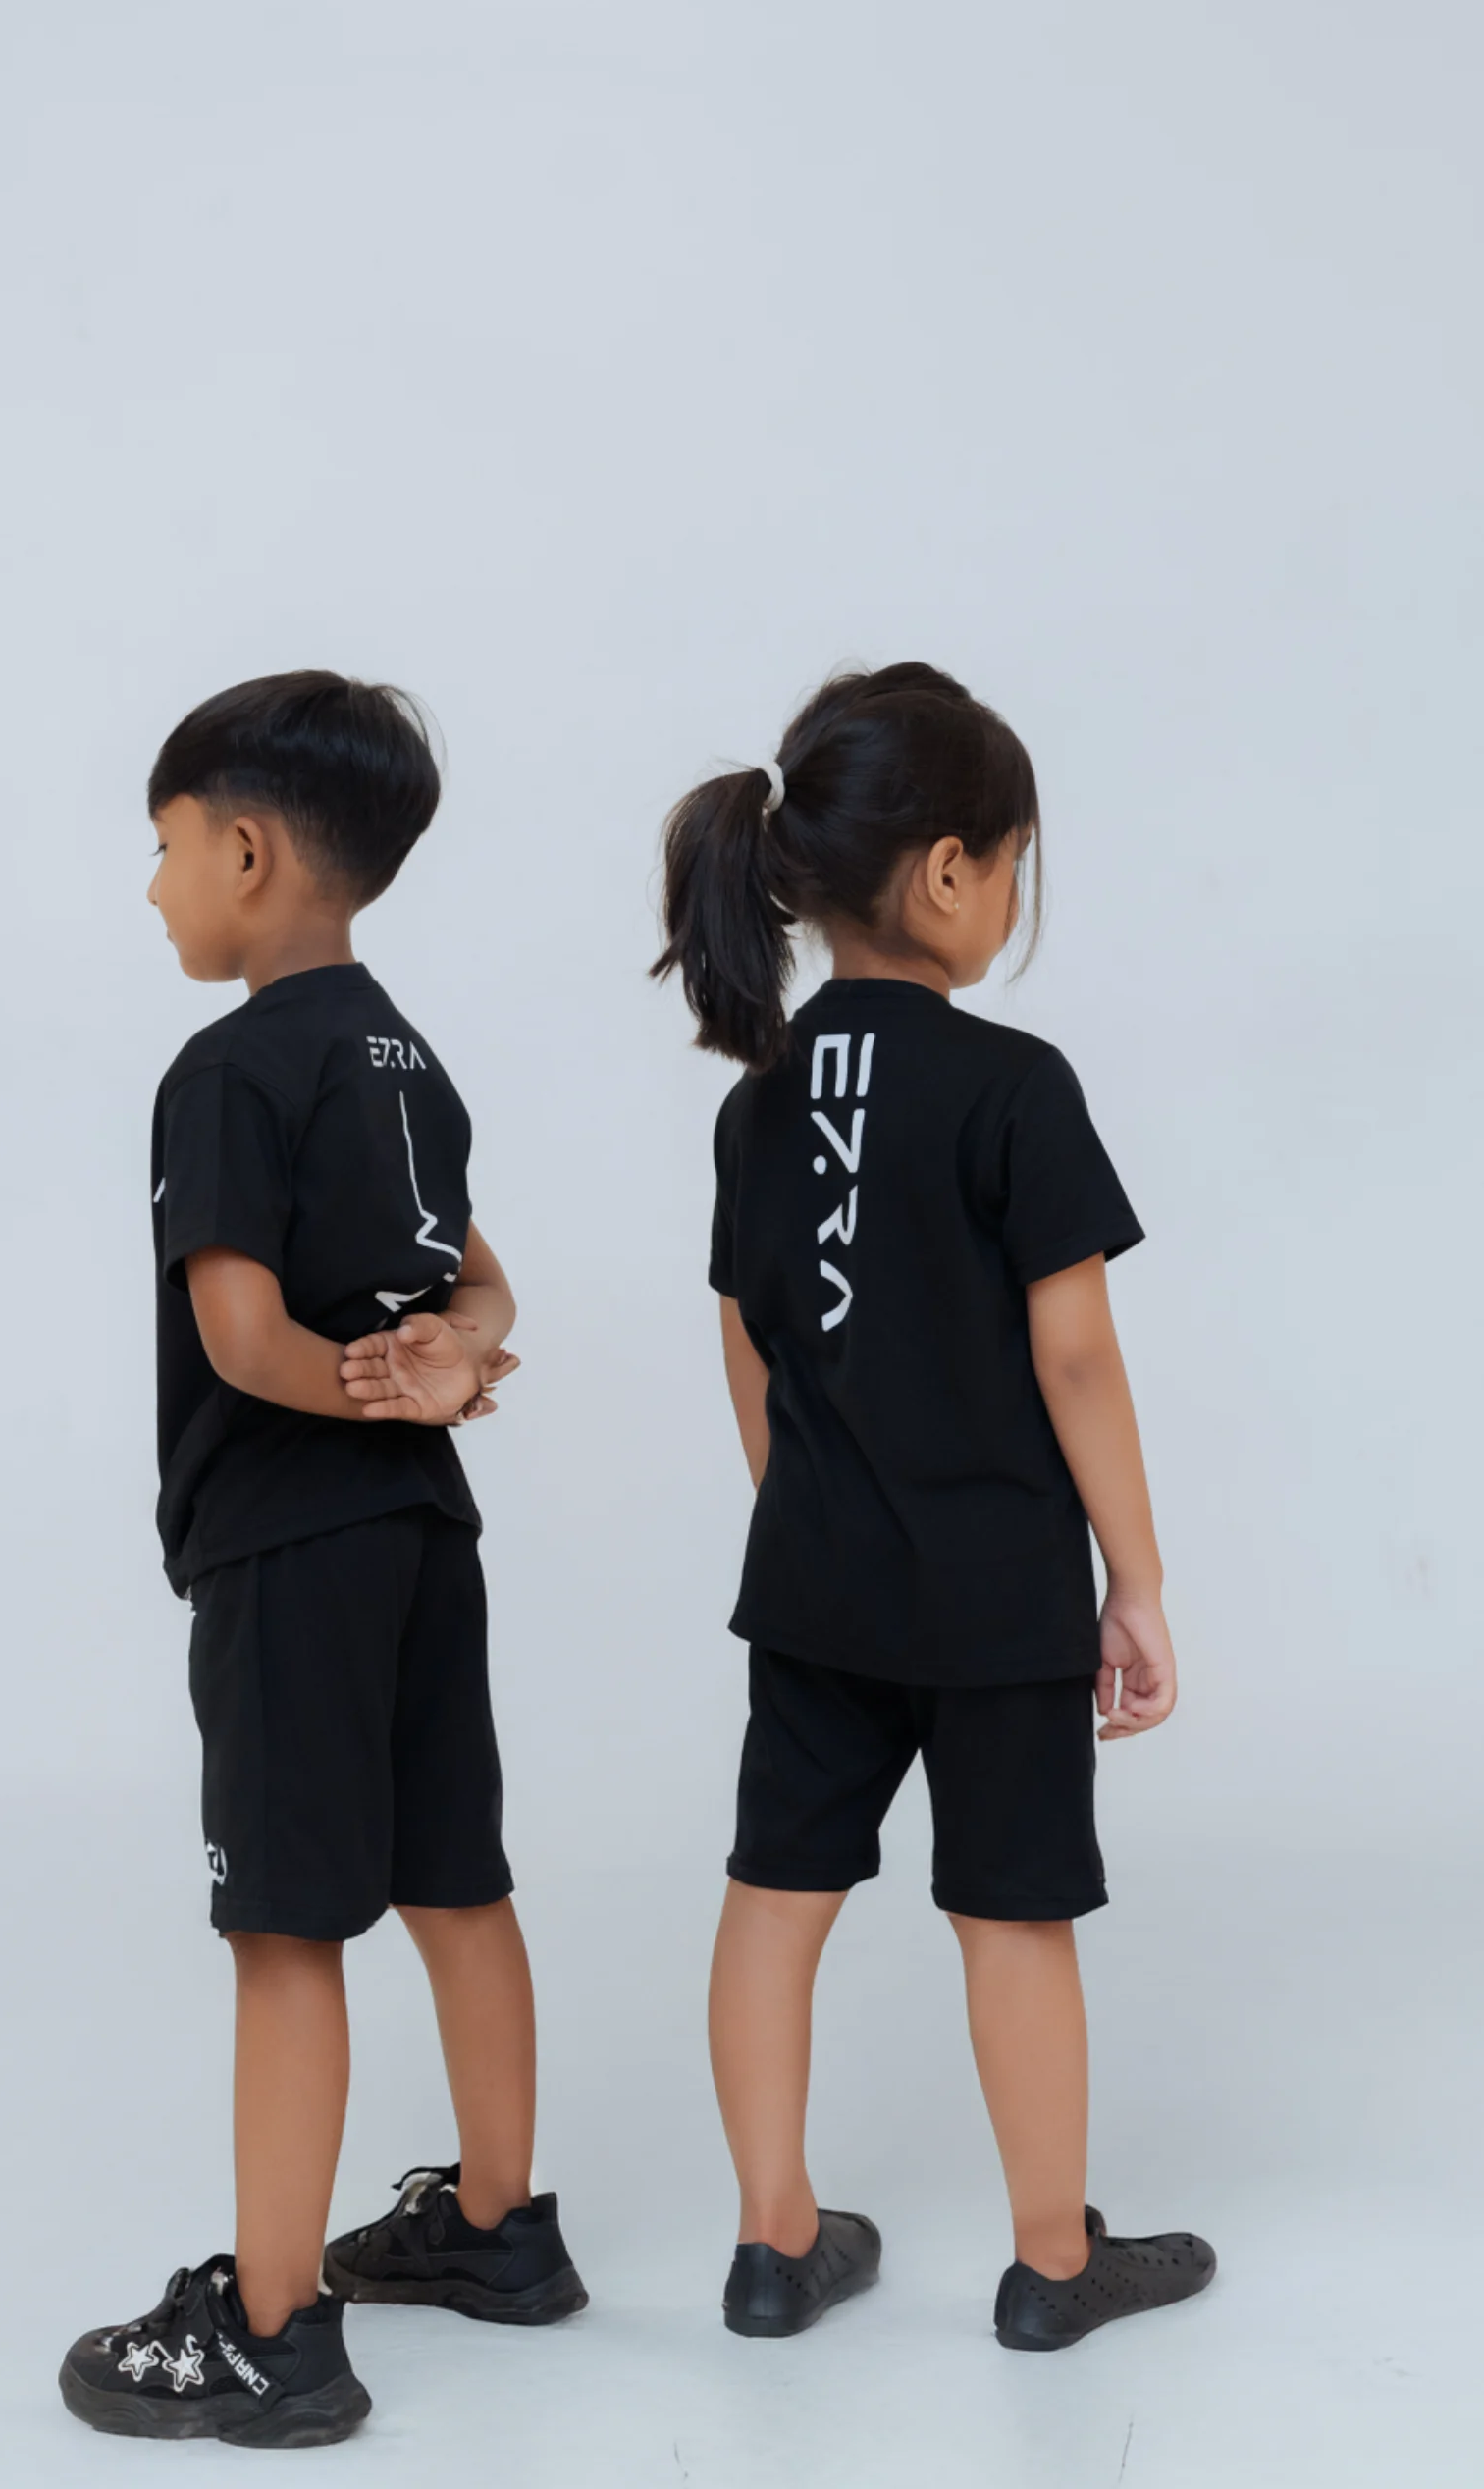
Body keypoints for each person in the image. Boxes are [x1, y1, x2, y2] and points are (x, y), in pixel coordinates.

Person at [653, 662, 1216, 2350]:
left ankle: (771, 2247)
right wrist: (1136, 1578)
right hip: (993, 1597)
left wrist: (811, 1510)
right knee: (1011, 1914)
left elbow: (746, 1342)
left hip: (813, 1586)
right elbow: (1075, 1355)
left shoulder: (756, 1105)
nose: (1013, 899)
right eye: (1014, 865)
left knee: (774, 1900)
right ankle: (1051, 2267)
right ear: (951, 870)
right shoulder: (1010, 1086)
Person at [59, 673, 585, 2451]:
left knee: (284, 1927)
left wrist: (374, 1388)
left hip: (289, 1549)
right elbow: (481, 1285)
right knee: (456, 1881)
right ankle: (501, 2229)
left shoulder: (227, 1069)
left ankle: (272, 2333)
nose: (153, 887)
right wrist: (448, 1366)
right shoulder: (404, 1062)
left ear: (247, 850)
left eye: (162, 848)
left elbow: (240, 1337)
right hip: (428, 1536)